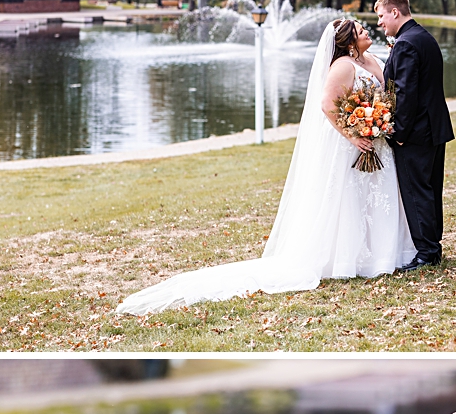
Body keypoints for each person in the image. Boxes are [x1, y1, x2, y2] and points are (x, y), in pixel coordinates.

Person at [116, 17, 414, 313]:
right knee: (350, 198)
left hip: (376, 140)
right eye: (361, 30)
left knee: (378, 196)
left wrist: (379, 121)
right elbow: (327, 104)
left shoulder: (373, 59)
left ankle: (383, 254)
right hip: (353, 142)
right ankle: (351, 258)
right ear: (349, 42)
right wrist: (353, 135)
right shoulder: (342, 66)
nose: (367, 31)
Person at [375, 0, 455, 270]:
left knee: (416, 189)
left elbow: (405, 93)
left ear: (395, 12)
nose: (380, 23)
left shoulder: (406, 44)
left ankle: (426, 253)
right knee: (430, 188)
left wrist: (399, 134)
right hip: (434, 127)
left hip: (416, 131)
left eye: (382, 16)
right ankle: (433, 247)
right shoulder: (423, 37)